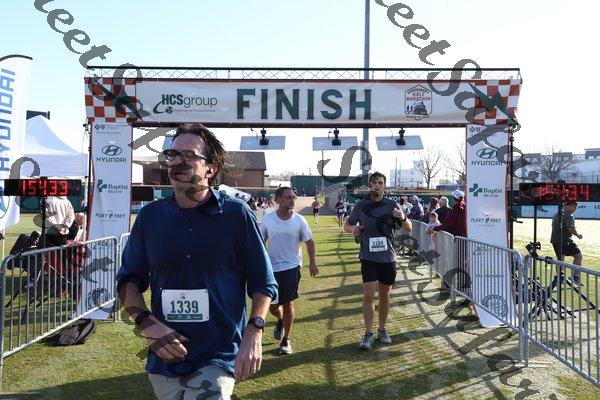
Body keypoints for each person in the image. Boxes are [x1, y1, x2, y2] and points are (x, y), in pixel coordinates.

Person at [116, 123, 278, 400]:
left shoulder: (236, 215)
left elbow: (263, 282)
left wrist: (255, 330)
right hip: (165, 357)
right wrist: (147, 324)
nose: (177, 162)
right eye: (173, 154)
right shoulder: (150, 217)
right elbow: (128, 280)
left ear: (210, 169)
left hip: (217, 354)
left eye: (189, 155)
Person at [344, 172, 411, 350]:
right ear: (370, 186)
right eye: (374, 183)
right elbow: (346, 225)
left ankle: (382, 329)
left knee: (384, 294)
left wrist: (402, 217)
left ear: (384, 186)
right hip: (368, 256)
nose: (377, 185)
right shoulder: (361, 205)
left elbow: (409, 228)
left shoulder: (392, 205)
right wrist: (353, 229)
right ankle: (368, 333)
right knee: (368, 294)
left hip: (388, 257)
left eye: (380, 183)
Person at [260, 187, 318, 356]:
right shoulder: (268, 219)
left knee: (288, 302)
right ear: (278, 199)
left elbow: (309, 242)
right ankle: (280, 318)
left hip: (292, 266)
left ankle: (286, 340)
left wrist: (312, 263)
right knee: (272, 305)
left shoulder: (300, 220)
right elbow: (261, 241)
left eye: (293, 197)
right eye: (288, 197)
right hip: (271, 268)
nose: (292, 200)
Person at [550, 200, 583, 284]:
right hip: (566, 240)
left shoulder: (557, 214)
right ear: (569, 205)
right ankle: (575, 276)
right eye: (574, 207)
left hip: (555, 240)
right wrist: (578, 235)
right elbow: (571, 229)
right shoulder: (569, 215)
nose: (575, 209)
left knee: (560, 259)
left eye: (576, 208)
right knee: (578, 256)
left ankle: (560, 278)